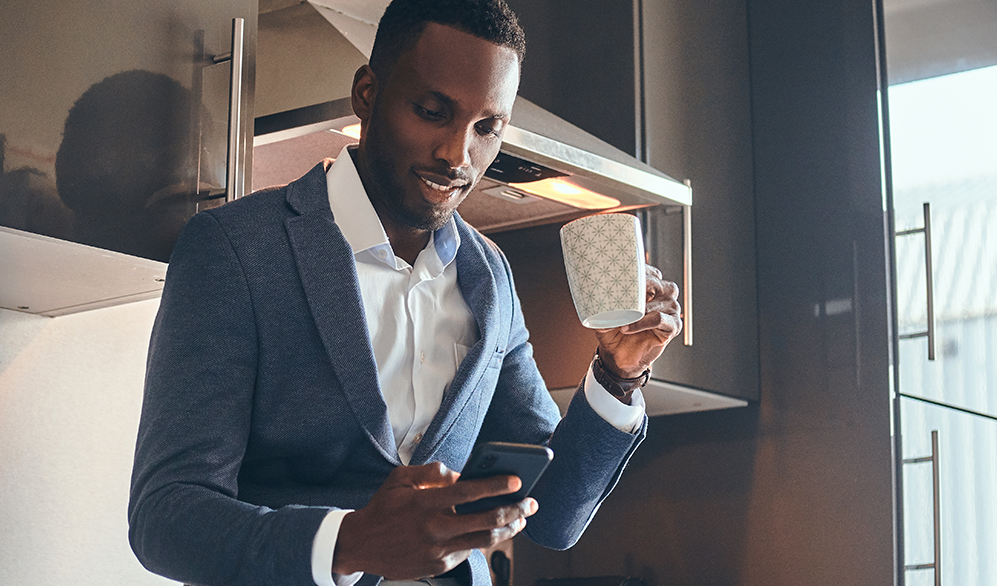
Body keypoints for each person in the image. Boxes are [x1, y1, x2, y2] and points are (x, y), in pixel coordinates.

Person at [128, 1, 682, 585]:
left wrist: (619, 376)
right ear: (367, 93)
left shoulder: (490, 275)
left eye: (486, 128)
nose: (458, 155)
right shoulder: (236, 248)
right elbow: (167, 515)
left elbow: (555, 516)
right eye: (432, 111)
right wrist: (348, 544)